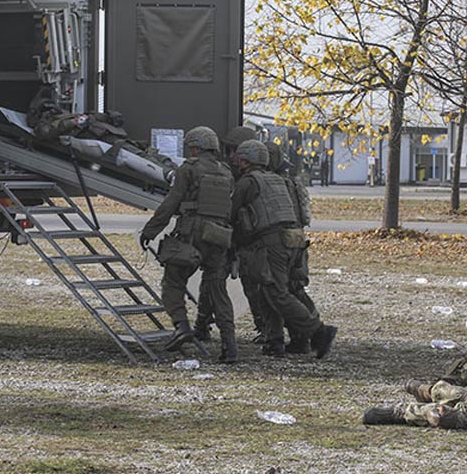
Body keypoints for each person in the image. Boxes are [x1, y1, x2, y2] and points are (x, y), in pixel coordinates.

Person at [231, 139, 337, 359]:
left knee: (277, 293)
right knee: (269, 291)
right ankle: (275, 341)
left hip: (271, 244)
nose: (237, 162)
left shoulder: (248, 182)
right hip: (293, 241)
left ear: (247, 160)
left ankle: (318, 332)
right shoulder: (279, 180)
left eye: (240, 158)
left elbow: (230, 212)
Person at [140, 127, 238, 361]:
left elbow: (171, 203)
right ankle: (230, 347)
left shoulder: (189, 169)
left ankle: (182, 327)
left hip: (192, 233)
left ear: (195, 147)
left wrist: (150, 230)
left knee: (173, 282)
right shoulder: (226, 172)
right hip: (219, 236)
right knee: (218, 291)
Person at [25, 85, 175, 182]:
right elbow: (44, 133)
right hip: (102, 140)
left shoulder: (68, 116)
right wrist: (74, 122)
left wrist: (108, 116)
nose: (53, 109)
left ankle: (175, 169)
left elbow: (96, 117)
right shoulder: (46, 125)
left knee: (146, 151)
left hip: (109, 136)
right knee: (139, 155)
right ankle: (169, 174)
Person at [210, 125, 267, 344]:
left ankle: (265, 327)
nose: (231, 156)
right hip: (232, 236)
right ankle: (203, 324)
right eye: (230, 151)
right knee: (213, 281)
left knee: (254, 286)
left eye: (235, 151)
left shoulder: (252, 179)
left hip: (248, 239)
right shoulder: (230, 172)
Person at [267, 142, 319, 354]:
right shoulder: (292, 182)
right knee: (294, 290)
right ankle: (303, 337)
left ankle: (308, 333)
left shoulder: (276, 183)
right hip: (297, 241)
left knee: (280, 292)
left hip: (283, 241)